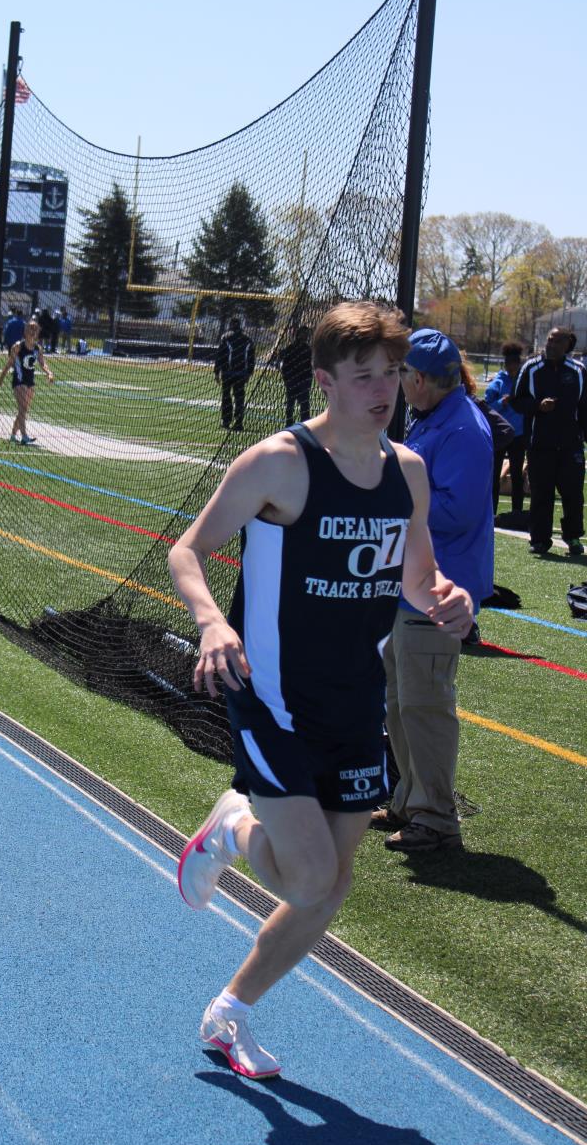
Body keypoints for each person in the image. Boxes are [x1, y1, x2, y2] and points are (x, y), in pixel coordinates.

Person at [170, 302, 473, 1079]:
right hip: (272, 696)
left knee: (329, 889)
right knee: (307, 876)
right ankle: (231, 830)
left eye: (392, 374)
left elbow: (418, 580)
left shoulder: (407, 472)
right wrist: (211, 621)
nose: (383, 391)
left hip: (354, 702)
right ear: (326, 380)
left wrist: (448, 598)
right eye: (364, 376)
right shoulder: (280, 463)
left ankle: (230, 1013)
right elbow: (187, 552)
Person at [376, 328, 493, 853]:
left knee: (425, 704)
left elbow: (456, 510)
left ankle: (436, 818)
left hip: (438, 589)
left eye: (400, 374)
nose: (397, 384)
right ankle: (409, 800)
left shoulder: (461, 428)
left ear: (418, 379)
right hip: (412, 584)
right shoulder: (439, 417)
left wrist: (392, 491)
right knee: (401, 701)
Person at [512, 328, 587, 557]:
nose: (550, 345)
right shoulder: (531, 368)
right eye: (549, 341)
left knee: (573, 494)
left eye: (556, 341)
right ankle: (540, 540)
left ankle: (573, 536)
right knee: (541, 494)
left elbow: (584, 408)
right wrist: (537, 406)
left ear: (567, 344)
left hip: (570, 446)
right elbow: (517, 400)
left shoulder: (578, 371)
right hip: (540, 445)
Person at [484, 343, 527, 518]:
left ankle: (517, 512)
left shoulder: (524, 381)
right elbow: (487, 406)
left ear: (519, 363)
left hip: (518, 434)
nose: (512, 367)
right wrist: (502, 402)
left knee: (517, 475)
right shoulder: (498, 382)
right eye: (509, 363)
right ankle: (491, 512)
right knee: (494, 475)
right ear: (506, 364)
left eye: (515, 363)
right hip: (500, 434)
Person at [0, 317, 54, 444]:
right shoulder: (18, 346)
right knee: (22, 409)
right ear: (25, 331)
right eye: (30, 328)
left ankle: (13, 435)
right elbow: (9, 364)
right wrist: (1, 379)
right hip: (19, 381)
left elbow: (42, 363)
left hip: (30, 382)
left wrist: (49, 373)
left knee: (23, 411)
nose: (33, 331)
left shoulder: (37, 348)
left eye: (35, 329)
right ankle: (24, 436)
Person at [214, 317, 255, 431]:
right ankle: (238, 422)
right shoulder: (247, 339)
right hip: (241, 373)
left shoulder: (226, 337)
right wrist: (249, 372)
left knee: (226, 397)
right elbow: (251, 358)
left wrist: (217, 372)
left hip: (228, 372)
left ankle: (226, 421)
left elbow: (220, 356)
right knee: (239, 398)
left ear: (230, 325)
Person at [279, 324, 314, 424]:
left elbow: (310, 367)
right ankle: (290, 422)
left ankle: (303, 423)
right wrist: (287, 379)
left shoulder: (308, 350)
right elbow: (285, 365)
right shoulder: (291, 348)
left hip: (302, 381)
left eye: (306, 334)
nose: (305, 336)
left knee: (303, 404)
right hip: (293, 380)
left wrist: (308, 380)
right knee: (291, 404)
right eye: (303, 334)